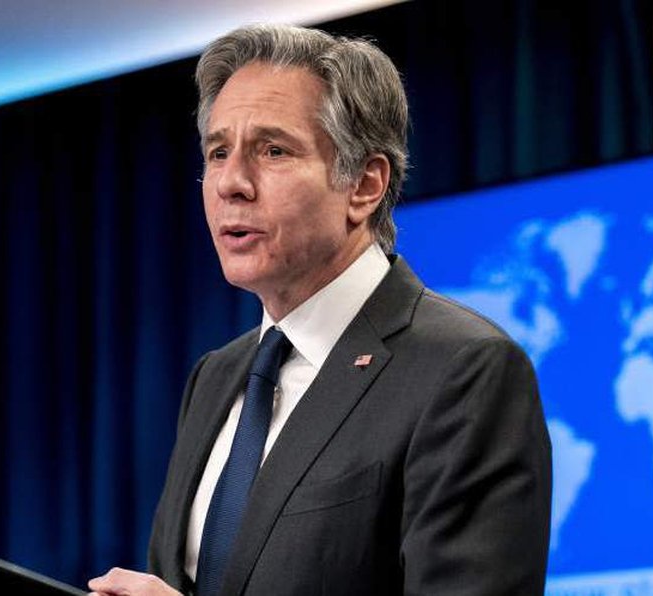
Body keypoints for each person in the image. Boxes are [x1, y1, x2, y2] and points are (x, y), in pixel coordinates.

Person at [88, 24, 552, 596]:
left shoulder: (464, 370)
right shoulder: (215, 377)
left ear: (364, 185)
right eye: (218, 151)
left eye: (273, 151)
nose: (231, 183)